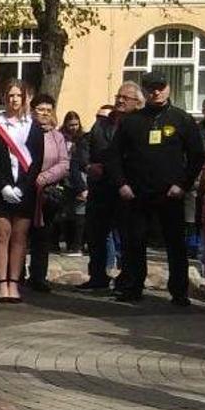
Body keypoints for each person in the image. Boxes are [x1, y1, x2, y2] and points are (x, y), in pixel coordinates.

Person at [107, 72, 205, 306]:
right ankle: (133, 286)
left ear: (168, 88)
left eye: (160, 87)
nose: (156, 92)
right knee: (135, 243)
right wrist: (122, 184)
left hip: (170, 194)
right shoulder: (132, 121)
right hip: (137, 193)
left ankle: (179, 291)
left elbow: (197, 156)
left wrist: (182, 184)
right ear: (145, 91)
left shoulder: (182, 119)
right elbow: (114, 156)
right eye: (151, 88)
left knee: (175, 244)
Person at [0, 81, 46, 304]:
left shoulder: (34, 126)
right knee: (1, 235)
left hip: (24, 189)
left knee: (19, 238)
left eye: (18, 95)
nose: (14, 99)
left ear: (26, 97)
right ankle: (1, 283)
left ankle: (14, 283)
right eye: (10, 95)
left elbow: (37, 161)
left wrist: (23, 187)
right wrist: (3, 186)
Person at [79, 95, 134, 290]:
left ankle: (126, 279)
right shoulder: (100, 126)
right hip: (100, 189)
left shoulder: (136, 125)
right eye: (118, 96)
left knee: (127, 237)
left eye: (125, 98)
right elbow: (84, 149)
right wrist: (88, 166)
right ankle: (97, 277)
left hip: (125, 190)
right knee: (96, 236)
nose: (120, 100)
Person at [25, 93, 70, 292]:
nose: (44, 114)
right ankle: (15, 275)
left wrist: (44, 177)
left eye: (48, 110)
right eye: (40, 109)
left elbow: (64, 163)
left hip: (46, 192)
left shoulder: (57, 136)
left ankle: (38, 276)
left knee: (42, 238)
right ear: (32, 110)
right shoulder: (24, 131)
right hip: (24, 189)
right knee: (20, 235)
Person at [60, 112, 88, 255]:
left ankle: (78, 245)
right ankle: (69, 243)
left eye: (76, 125)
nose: (73, 128)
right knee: (66, 213)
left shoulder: (83, 138)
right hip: (64, 176)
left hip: (78, 177)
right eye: (70, 125)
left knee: (79, 212)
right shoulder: (60, 137)